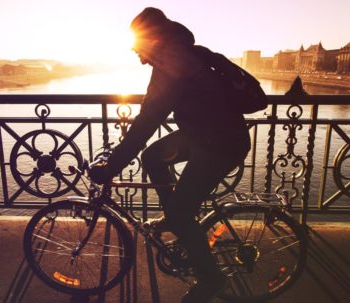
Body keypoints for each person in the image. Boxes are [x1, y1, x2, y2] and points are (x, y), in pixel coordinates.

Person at [89, 7, 251, 303]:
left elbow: (146, 123)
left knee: (180, 212)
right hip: (207, 133)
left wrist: (110, 169)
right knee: (152, 157)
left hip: (220, 143)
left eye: (137, 45)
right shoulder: (182, 53)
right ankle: (174, 217)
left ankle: (211, 278)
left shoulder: (173, 64)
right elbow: (149, 120)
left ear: (152, 41)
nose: (134, 52)